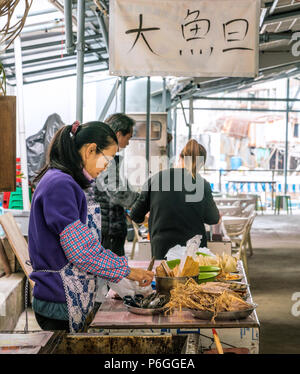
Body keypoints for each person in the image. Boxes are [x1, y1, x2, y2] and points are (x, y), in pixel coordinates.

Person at [28, 121, 154, 333]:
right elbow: (81, 251)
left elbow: (84, 244)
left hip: (67, 296)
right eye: (107, 159)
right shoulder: (60, 185)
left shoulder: (65, 182)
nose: (107, 166)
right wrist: (127, 271)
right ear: (90, 150)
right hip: (60, 300)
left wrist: (117, 274)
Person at [129, 139, 220, 259]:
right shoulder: (203, 184)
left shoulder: (155, 180)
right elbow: (213, 218)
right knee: (192, 277)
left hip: (161, 249)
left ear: (179, 156)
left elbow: (135, 215)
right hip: (193, 250)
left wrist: (152, 216)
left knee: (165, 277)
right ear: (201, 164)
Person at [93, 113, 139, 257]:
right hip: (108, 230)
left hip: (107, 227)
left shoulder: (105, 157)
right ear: (118, 134)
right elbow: (116, 190)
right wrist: (139, 201)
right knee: (110, 275)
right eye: (128, 138)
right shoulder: (104, 157)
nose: (128, 143)